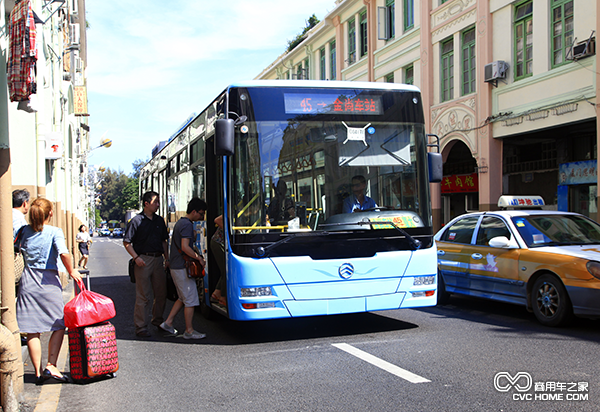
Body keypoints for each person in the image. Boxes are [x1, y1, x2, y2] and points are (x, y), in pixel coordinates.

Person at [16, 197, 83, 385]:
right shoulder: (55, 231)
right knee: (59, 324)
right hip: (48, 283)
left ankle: (37, 373)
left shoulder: (23, 231)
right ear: (50, 214)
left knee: (32, 330)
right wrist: (71, 271)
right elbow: (63, 252)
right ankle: (51, 365)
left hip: (27, 282)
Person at [123, 191, 169, 338]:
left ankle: (158, 320)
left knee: (161, 293)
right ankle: (141, 326)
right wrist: (136, 257)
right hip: (143, 259)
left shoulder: (159, 221)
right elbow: (127, 242)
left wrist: (166, 259)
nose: (158, 205)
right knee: (143, 295)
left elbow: (164, 241)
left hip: (158, 259)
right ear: (146, 203)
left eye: (158, 202)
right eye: (155, 202)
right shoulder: (136, 221)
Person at [159, 198, 207, 339]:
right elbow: (185, 247)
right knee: (191, 299)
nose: (202, 217)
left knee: (182, 297)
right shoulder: (186, 225)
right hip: (181, 267)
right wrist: (199, 258)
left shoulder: (181, 222)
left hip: (176, 266)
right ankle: (189, 331)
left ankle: (168, 323)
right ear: (193, 211)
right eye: (201, 214)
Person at [210, 214, 226, 306]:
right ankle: (223, 298)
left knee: (225, 270)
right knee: (226, 271)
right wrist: (228, 232)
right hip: (218, 242)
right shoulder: (236, 210)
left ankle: (216, 294)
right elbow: (217, 219)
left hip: (220, 243)